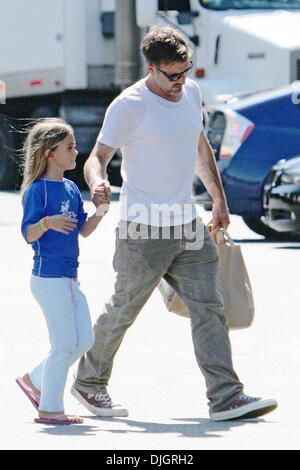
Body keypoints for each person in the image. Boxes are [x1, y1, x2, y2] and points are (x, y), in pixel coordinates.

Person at [71, 27, 277, 421]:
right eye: (172, 75)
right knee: (123, 309)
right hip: (142, 229)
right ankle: (89, 382)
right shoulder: (129, 105)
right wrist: (98, 182)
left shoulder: (192, 94)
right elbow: (96, 156)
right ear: (151, 69)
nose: (180, 82)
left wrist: (218, 199)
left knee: (210, 308)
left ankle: (226, 396)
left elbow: (200, 147)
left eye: (186, 72)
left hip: (187, 224)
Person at [16, 118, 110, 425]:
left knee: (83, 340)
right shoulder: (37, 190)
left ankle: (34, 379)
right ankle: (50, 408)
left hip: (70, 277)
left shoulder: (70, 187)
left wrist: (100, 211)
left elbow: (82, 230)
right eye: (69, 147)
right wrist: (48, 223)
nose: (76, 152)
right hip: (47, 278)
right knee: (63, 343)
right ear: (48, 153)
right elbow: (28, 233)